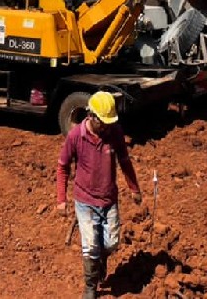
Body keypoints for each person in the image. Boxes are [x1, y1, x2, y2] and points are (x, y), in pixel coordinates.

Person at [57, 91, 142, 299]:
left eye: (108, 122)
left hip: (109, 199)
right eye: (103, 122)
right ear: (91, 116)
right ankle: (90, 286)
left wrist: (134, 188)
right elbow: (62, 167)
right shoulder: (76, 136)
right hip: (84, 200)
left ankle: (101, 259)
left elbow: (124, 161)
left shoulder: (115, 132)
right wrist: (62, 200)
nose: (106, 126)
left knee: (111, 243)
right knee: (90, 246)